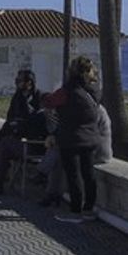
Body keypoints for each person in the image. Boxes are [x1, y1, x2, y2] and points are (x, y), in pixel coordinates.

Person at [44, 57, 109, 218]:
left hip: (71, 139)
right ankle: (89, 208)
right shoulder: (93, 93)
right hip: (91, 139)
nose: (95, 72)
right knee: (88, 174)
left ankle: (75, 210)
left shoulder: (67, 91)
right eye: (93, 70)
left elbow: (49, 102)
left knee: (73, 175)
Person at [0, 68, 42, 195]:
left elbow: (35, 120)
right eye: (17, 81)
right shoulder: (17, 97)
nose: (18, 84)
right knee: (6, 137)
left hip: (33, 143)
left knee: (4, 145)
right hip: (18, 135)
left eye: (21, 81)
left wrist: (25, 105)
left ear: (29, 82)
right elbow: (10, 117)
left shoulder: (38, 97)